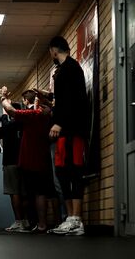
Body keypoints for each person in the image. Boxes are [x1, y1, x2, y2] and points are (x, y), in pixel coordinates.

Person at [47, 36, 89, 236]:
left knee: (74, 172)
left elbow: (73, 101)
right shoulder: (63, 70)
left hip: (73, 129)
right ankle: (71, 218)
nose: (51, 56)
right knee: (64, 172)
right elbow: (63, 100)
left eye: (50, 52)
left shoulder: (72, 68)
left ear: (54, 50)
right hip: (66, 130)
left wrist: (58, 122)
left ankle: (77, 219)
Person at [0, 87, 54, 234]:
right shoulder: (48, 114)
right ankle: (41, 223)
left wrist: (3, 98)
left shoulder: (34, 114)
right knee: (40, 192)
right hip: (42, 156)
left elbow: (11, 111)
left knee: (36, 192)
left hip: (31, 158)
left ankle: (41, 224)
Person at [0, 102, 30, 232]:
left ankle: (19, 221)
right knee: (25, 192)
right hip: (25, 161)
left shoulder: (7, 126)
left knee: (14, 192)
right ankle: (26, 221)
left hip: (10, 162)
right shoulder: (26, 124)